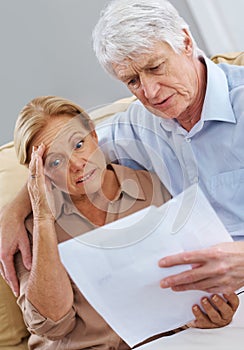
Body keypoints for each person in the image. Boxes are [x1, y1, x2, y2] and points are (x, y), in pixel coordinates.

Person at [0, 0, 244, 296]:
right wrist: (14, 211)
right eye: (132, 80)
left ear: (186, 42)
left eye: (156, 67)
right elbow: (68, 158)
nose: (150, 92)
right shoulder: (136, 127)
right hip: (203, 303)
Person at [4, 95, 239, 349]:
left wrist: (207, 312)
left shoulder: (152, 188)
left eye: (79, 144)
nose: (77, 164)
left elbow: (188, 285)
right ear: (38, 172)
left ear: (94, 136)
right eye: (56, 161)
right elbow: (52, 324)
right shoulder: (29, 230)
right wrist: (43, 219)